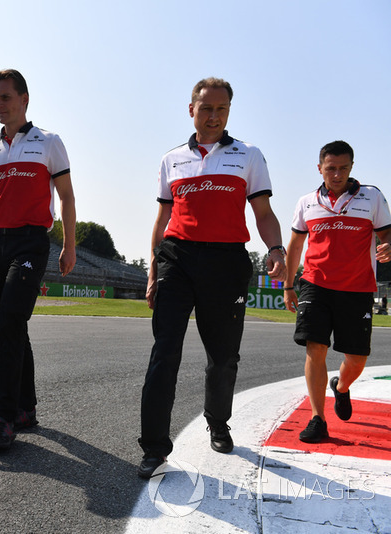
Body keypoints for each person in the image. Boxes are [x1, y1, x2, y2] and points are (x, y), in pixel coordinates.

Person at [137, 77, 287, 479]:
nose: (214, 116)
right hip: (176, 259)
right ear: (191, 110)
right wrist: (153, 270)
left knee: (223, 357)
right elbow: (161, 219)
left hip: (226, 262)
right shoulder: (171, 159)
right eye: (206, 108)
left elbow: (264, 214)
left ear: (229, 112)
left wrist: (276, 249)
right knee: (164, 352)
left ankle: (218, 422)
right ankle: (153, 448)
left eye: (221, 109)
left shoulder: (248, 155)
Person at [0, 69, 76, 450]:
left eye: (5, 97)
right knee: (12, 325)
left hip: (31, 241)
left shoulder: (49, 142)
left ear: (25, 99)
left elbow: (67, 197)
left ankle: (3, 419)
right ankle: (26, 408)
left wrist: (69, 244)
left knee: (9, 322)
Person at [284, 140, 391, 443]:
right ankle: (318, 419)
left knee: (356, 359)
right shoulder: (306, 202)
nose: (337, 174)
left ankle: (341, 387)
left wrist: (389, 245)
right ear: (320, 168)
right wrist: (289, 285)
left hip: (357, 288)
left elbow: (387, 232)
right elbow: (295, 246)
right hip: (315, 284)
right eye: (331, 168)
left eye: (343, 168)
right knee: (314, 348)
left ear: (351, 167)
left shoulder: (372, 197)